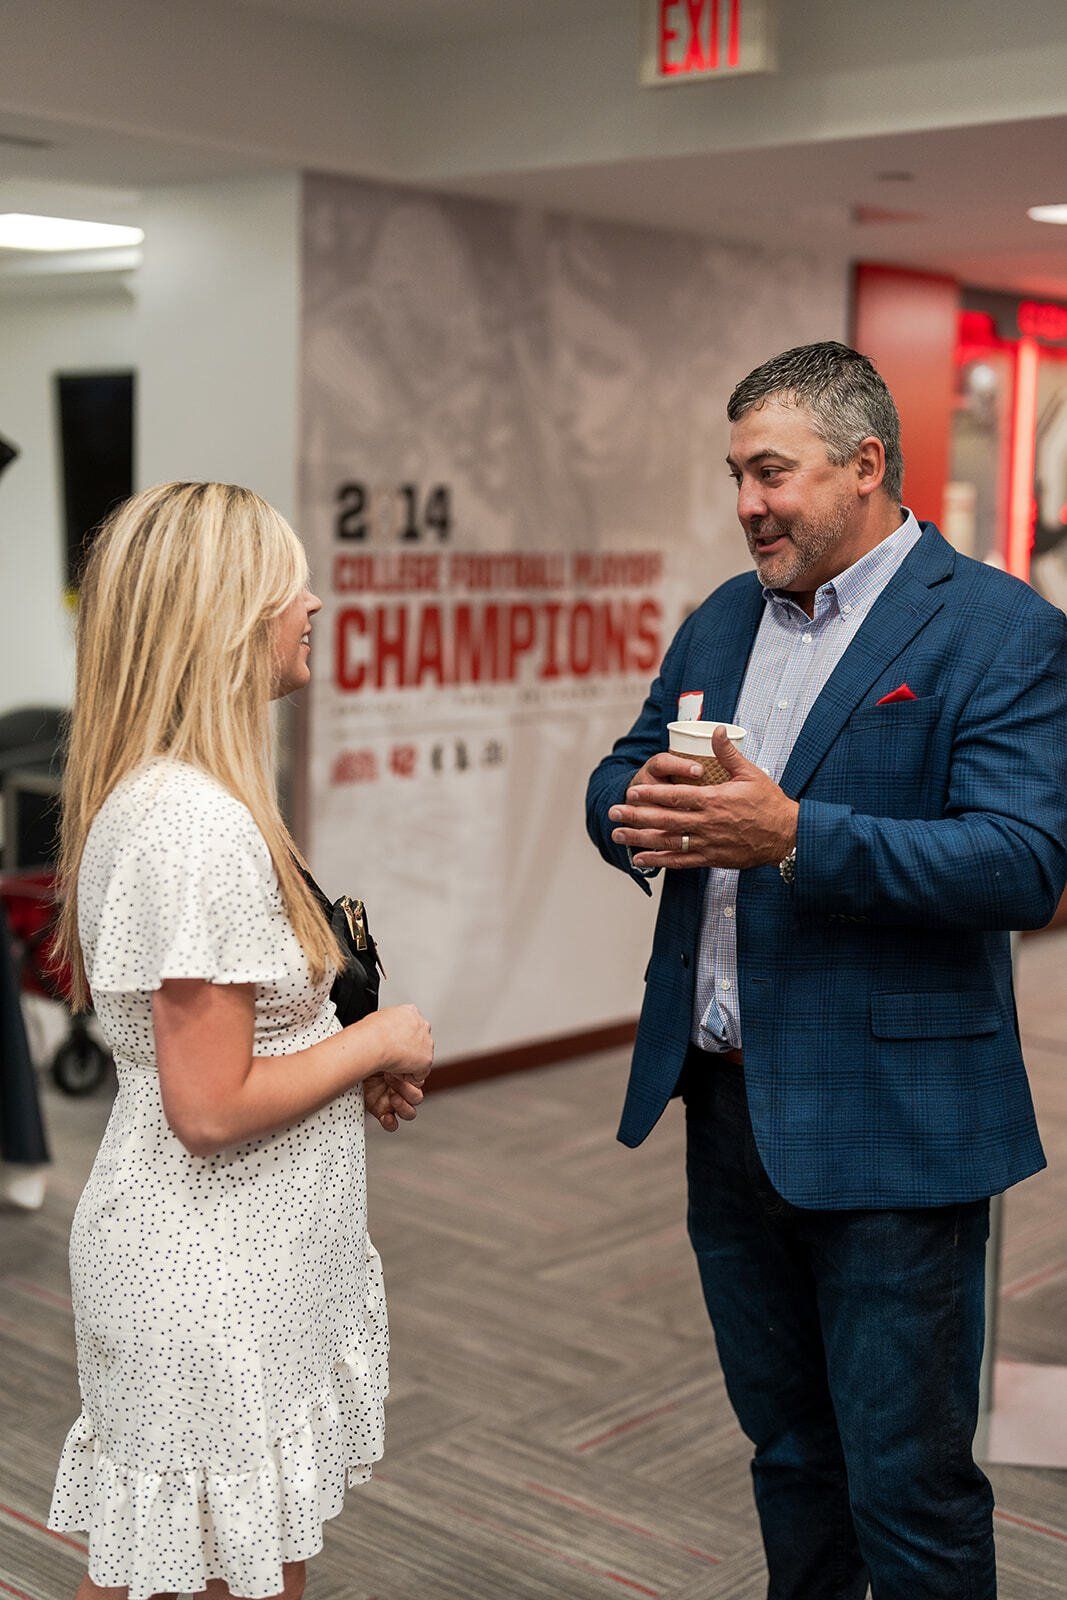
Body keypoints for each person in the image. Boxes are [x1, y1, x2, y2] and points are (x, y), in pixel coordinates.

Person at [586, 342, 1067, 1599]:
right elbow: (622, 768)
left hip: (890, 1127)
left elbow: (1022, 862)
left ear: (864, 464)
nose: (746, 503)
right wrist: (634, 807)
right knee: (789, 1453)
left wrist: (794, 835)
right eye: (735, 475)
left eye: (770, 472)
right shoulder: (722, 615)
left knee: (906, 1488)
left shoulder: (998, 628)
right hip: (725, 1110)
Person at [47, 482, 434, 1600]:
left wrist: (340, 1062)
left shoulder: (190, 800)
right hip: (207, 1275)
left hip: (241, 1262)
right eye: (287, 584)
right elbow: (209, 1106)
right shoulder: (193, 826)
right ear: (222, 616)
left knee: (222, 1565)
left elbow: (241, 1040)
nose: (312, 603)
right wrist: (379, 1041)